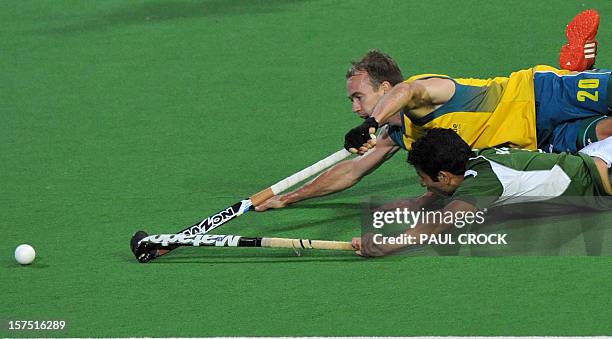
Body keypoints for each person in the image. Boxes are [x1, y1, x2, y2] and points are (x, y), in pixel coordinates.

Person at [255, 10, 610, 212]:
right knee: (607, 134)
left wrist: (372, 122)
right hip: (541, 141)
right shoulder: (400, 136)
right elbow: (351, 171)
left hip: (536, 95)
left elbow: (408, 90)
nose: (355, 108)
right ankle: (579, 65)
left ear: (385, 90)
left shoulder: (425, 91)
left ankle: (577, 70)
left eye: (359, 97)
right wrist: (290, 198)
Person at [352, 128, 612, 257]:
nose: (423, 184)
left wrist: (389, 244)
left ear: (443, 176)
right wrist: (417, 203)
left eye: (423, 179)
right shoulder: (476, 160)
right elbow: (448, 193)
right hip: (596, 158)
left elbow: (442, 222)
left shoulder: (482, 182)